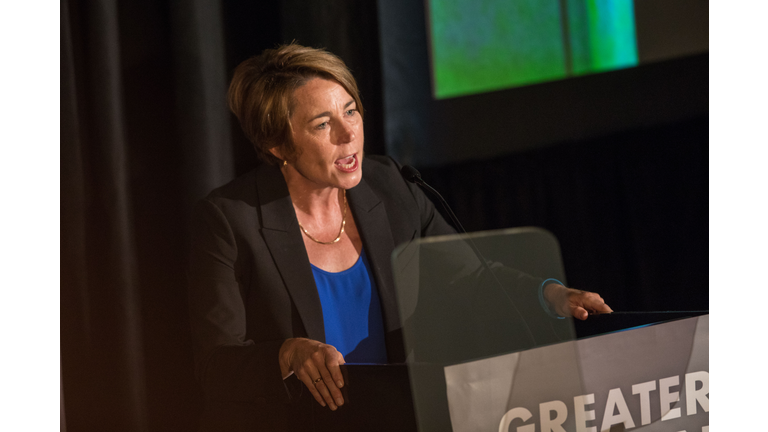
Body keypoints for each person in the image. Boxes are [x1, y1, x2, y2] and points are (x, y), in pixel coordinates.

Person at [187, 43, 612, 430]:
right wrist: (286, 354)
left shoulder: (389, 185)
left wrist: (549, 295)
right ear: (277, 144)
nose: (348, 132)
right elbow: (214, 366)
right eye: (322, 123)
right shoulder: (230, 221)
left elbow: (469, 275)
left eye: (351, 111)